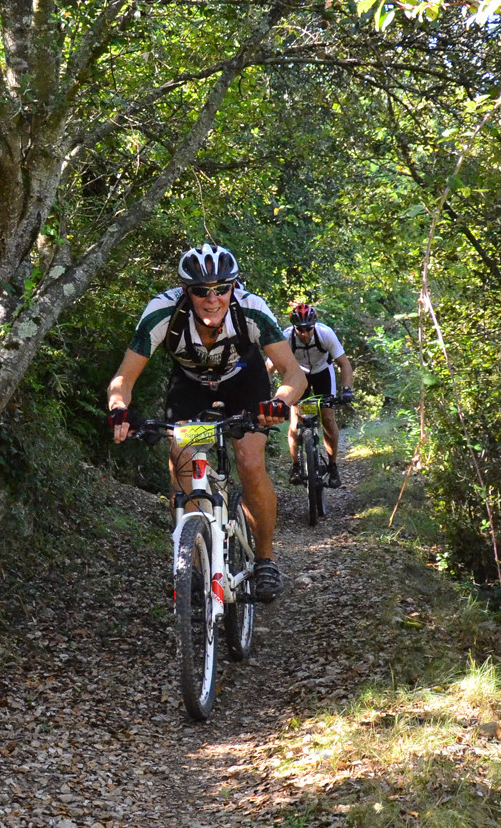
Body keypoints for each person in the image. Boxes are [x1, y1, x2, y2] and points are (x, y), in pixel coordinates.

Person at [107, 243, 309, 602]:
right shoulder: (162, 312)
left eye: (222, 289)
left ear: (234, 287)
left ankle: (265, 560)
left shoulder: (252, 310)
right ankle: (194, 567)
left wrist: (279, 403)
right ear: (186, 291)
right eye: (201, 291)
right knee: (182, 464)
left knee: (249, 461)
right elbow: (123, 379)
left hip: (244, 381)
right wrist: (119, 409)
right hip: (190, 386)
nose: (212, 299)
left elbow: (294, 373)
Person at [272, 302, 353, 488]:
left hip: (323, 373)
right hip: (298, 376)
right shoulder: (286, 337)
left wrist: (346, 390)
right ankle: (296, 466)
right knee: (294, 423)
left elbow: (344, 364)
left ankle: (333, 466)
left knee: (328, 417)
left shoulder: (325, 333)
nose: (305, 333)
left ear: (314, 325)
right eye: (300, 329)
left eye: (308, 328)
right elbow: (269, 366)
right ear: (294, 327)